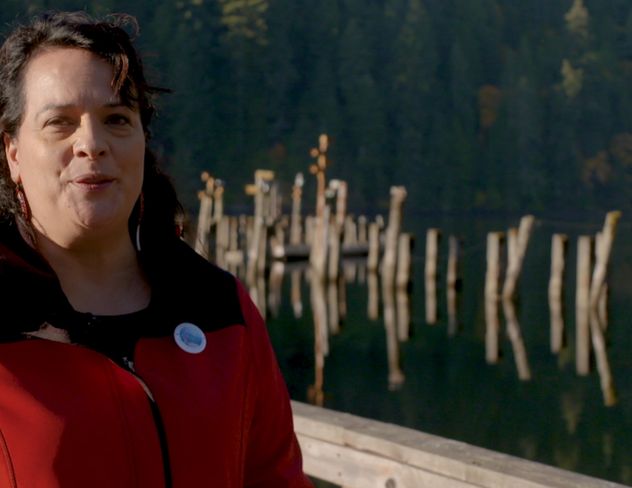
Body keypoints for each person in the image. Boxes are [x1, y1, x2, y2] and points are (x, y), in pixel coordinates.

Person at [0, 10, 313, 487]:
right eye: (60, 123)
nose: (92, 143)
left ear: (143, 142)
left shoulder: (221, 311)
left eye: (117, 120)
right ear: (13, 153)